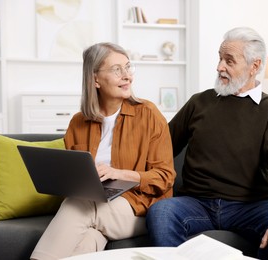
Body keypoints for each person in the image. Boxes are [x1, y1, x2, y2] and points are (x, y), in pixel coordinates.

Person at [146, 27, 268, 260]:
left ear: (254, 66)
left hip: (248, 207)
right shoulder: (199, 102)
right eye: (220, 58)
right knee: (161, 213)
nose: (219, 66)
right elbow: (161, 147)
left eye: (229, 60)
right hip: (195, 203)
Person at [31, 42, 176, 260]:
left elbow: (165, 178)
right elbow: (71, 179)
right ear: (95, 79)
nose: (126, 76)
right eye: (117, 70)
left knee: (80, 204)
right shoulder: (78, 122)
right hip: (94, 207)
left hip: (138, 208)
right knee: (89, 236)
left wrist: (119, 174)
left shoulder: (149, 114)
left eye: (128, 67)